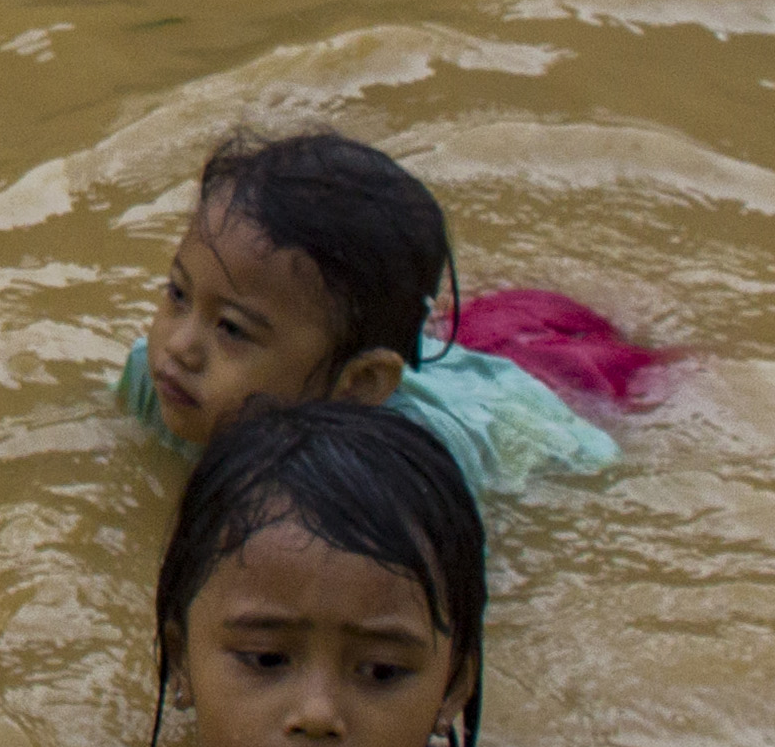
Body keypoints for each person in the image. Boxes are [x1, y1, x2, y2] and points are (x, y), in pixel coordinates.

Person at [150, 398, 537, 747]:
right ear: (181, 661)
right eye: (266, 659)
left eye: (379, 672)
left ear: (453, 686)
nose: (317, 715)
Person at [115, 128, 663, 496]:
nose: (179, 346)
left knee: (634, 376)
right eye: (178, 296)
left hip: (519, 404)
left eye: (231, 329)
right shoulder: (155, 378)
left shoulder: (390, 483)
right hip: (441, 350)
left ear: (358, 384)